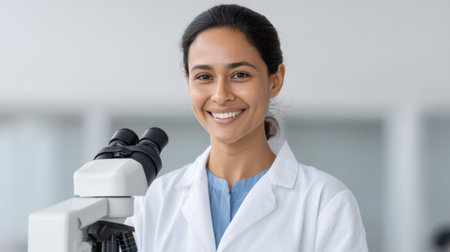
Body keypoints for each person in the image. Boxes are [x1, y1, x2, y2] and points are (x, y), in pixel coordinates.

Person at [125, 4, 369, 252]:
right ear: (188, 82)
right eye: (204, 77)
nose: (220, 95)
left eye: (240, 75)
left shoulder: (325, 202)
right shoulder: (154, 201)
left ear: (275, 81)